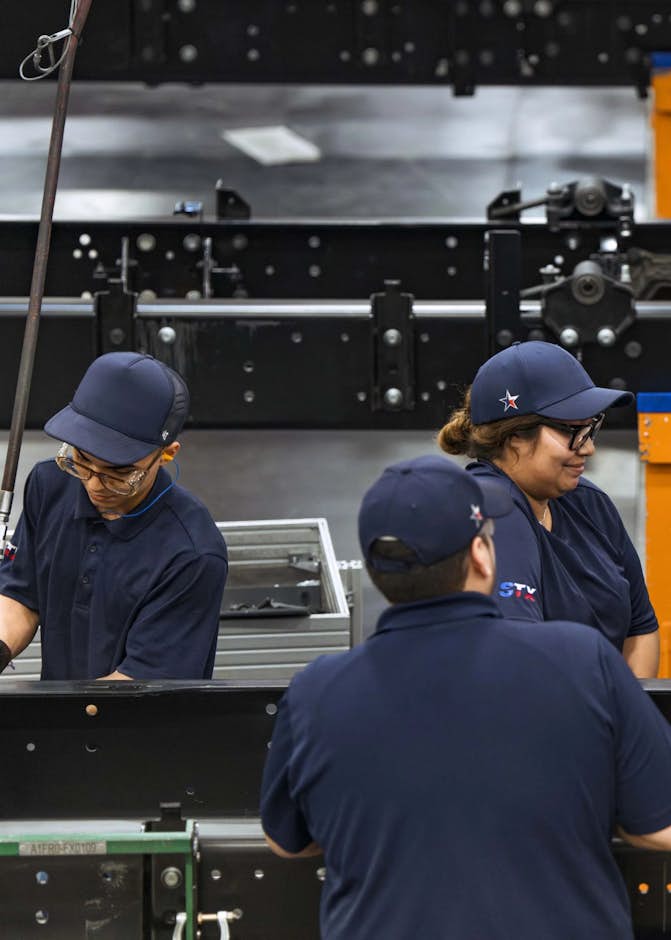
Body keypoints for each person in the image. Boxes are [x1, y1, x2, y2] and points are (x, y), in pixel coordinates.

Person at [260, 454, 671, 940]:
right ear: (480, 555)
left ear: (375, 572)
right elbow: (657, 826)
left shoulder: (315, 691)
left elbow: (286, 840)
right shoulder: (584, 661)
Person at [0, 352, 228, 680]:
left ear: (166, 454)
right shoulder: (49, 485)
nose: (94, 483)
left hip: (132, 724)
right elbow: (20, 593)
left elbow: (136, 690)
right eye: (81, 460)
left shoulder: (192, 554)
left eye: (118, 473)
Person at [438, 339, 658, 678]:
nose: (588, 449)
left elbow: (640, 627)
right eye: (572, 431)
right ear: (514, 436)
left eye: (591, 428)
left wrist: (630, 715)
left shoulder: (588, 503)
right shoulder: (490, 510)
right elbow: (518, 665)